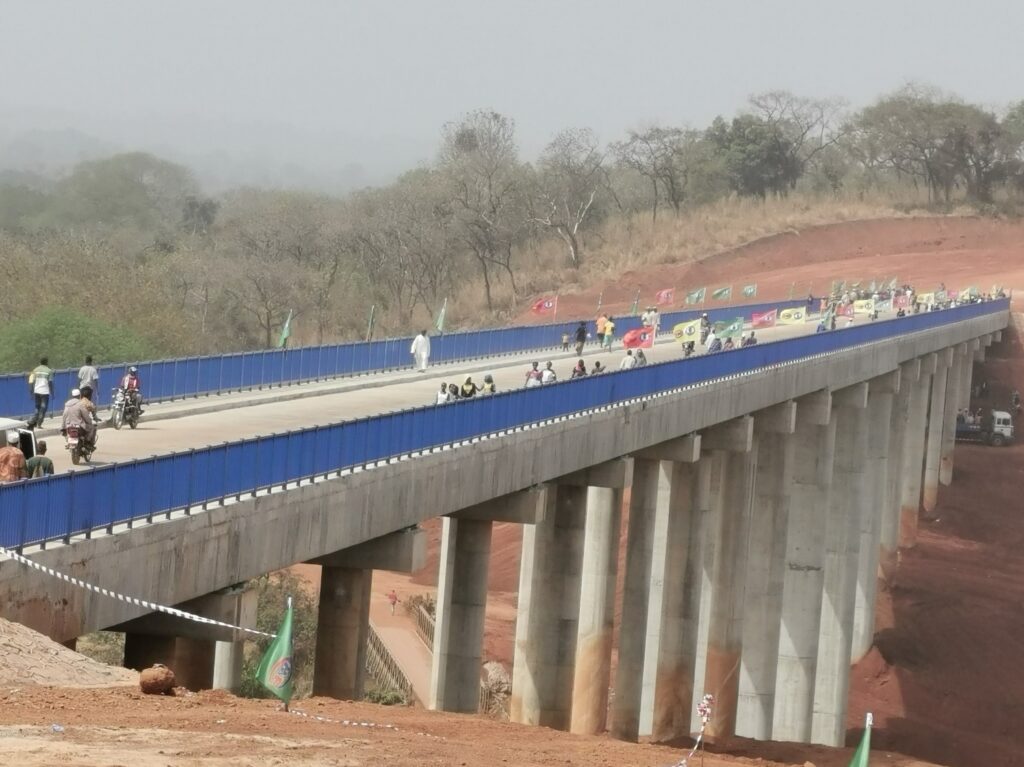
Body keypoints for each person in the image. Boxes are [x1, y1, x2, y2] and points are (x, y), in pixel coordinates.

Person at [28, 356, 54, 427]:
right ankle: (39, 423)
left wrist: (31, 392)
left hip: (36, 391)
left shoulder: (35, 370)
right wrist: (52, 392)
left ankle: (33, 421)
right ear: (47, 362)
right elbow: (50, 383)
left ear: (40, 362)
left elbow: (31, 381)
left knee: (37, 407)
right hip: (45, 392)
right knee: (43, 408)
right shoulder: (49, 371)